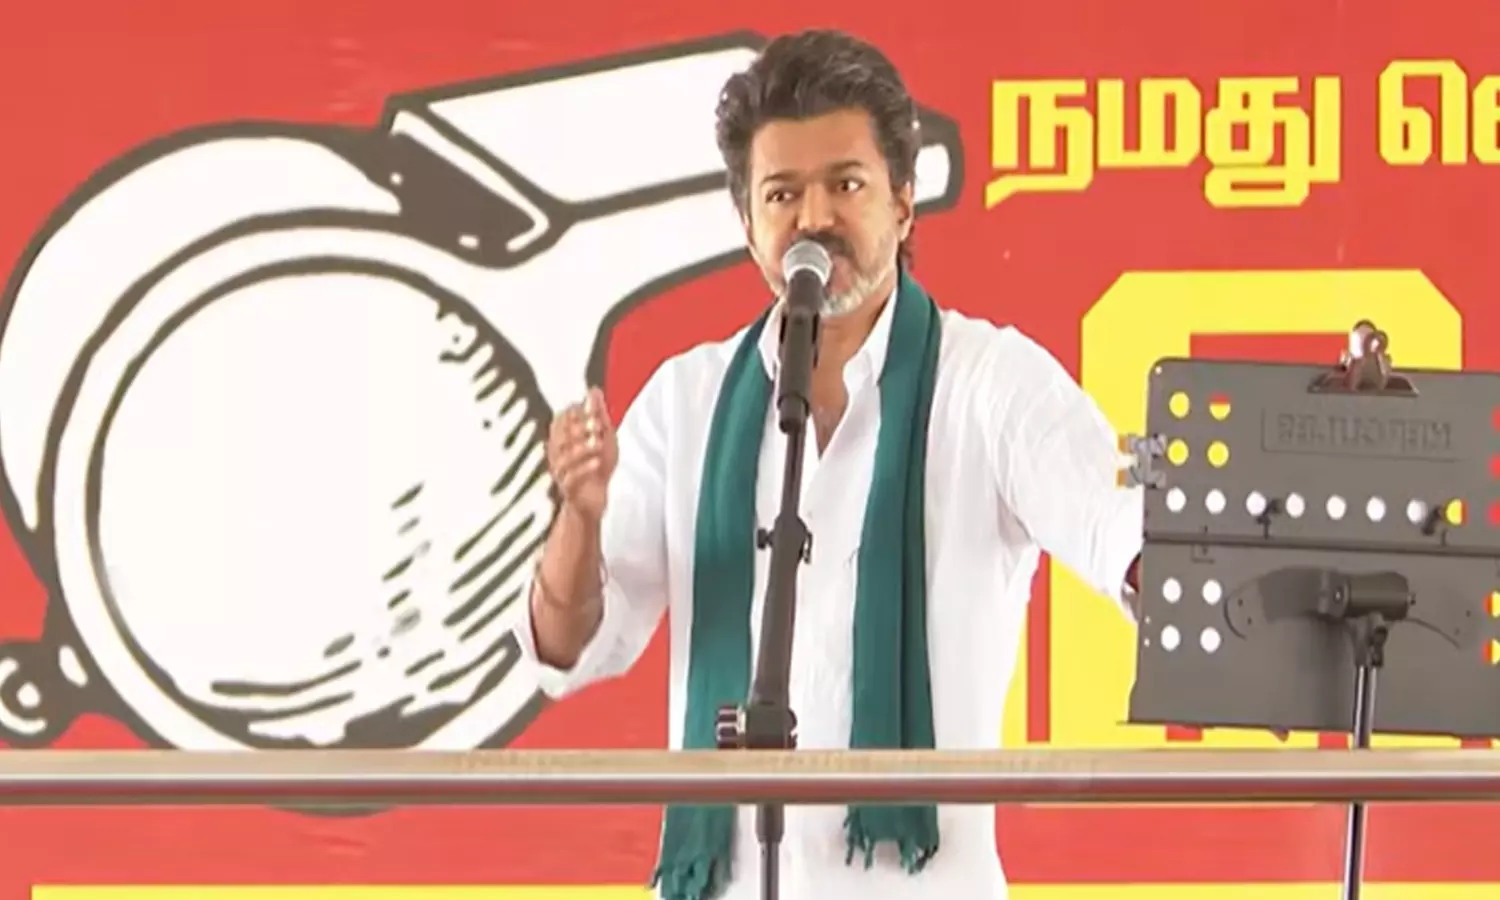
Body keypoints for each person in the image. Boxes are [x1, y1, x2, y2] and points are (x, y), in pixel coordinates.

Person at [519, 28, 1142, 900]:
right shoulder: (686, 400)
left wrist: (1206, 577)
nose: (813, 218)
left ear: (904, 202)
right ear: (748, 227)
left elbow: (1118, 527)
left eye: (845, 185)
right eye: (782, 194)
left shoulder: (991, 383)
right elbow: (571, 645)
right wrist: (580, 519)